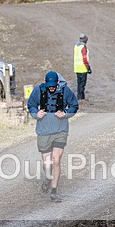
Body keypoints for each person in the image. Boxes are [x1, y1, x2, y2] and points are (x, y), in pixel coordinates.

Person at [26, 71, 79, 203]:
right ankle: (48, 177)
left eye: (53, 85)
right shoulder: (38, 90)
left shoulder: (65, 90)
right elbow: (31, 105)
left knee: (56, 161)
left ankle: (54, 192)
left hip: (60, 130)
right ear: (45, 83)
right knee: (47, 163)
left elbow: (74, 105)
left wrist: (66, 113)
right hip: (44, 131)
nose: (51, 87)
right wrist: (35, 113)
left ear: (57, 82)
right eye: (48, 85)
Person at [73, 33, 91, 101]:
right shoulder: (83, 47)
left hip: (77, 68)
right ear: (84, 39)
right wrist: (88, 67)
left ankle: (79, 97)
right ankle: (81, 98)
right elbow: (84, 58)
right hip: (83, 68)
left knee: (79, 83)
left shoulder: (76, 46)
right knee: (82, 84)